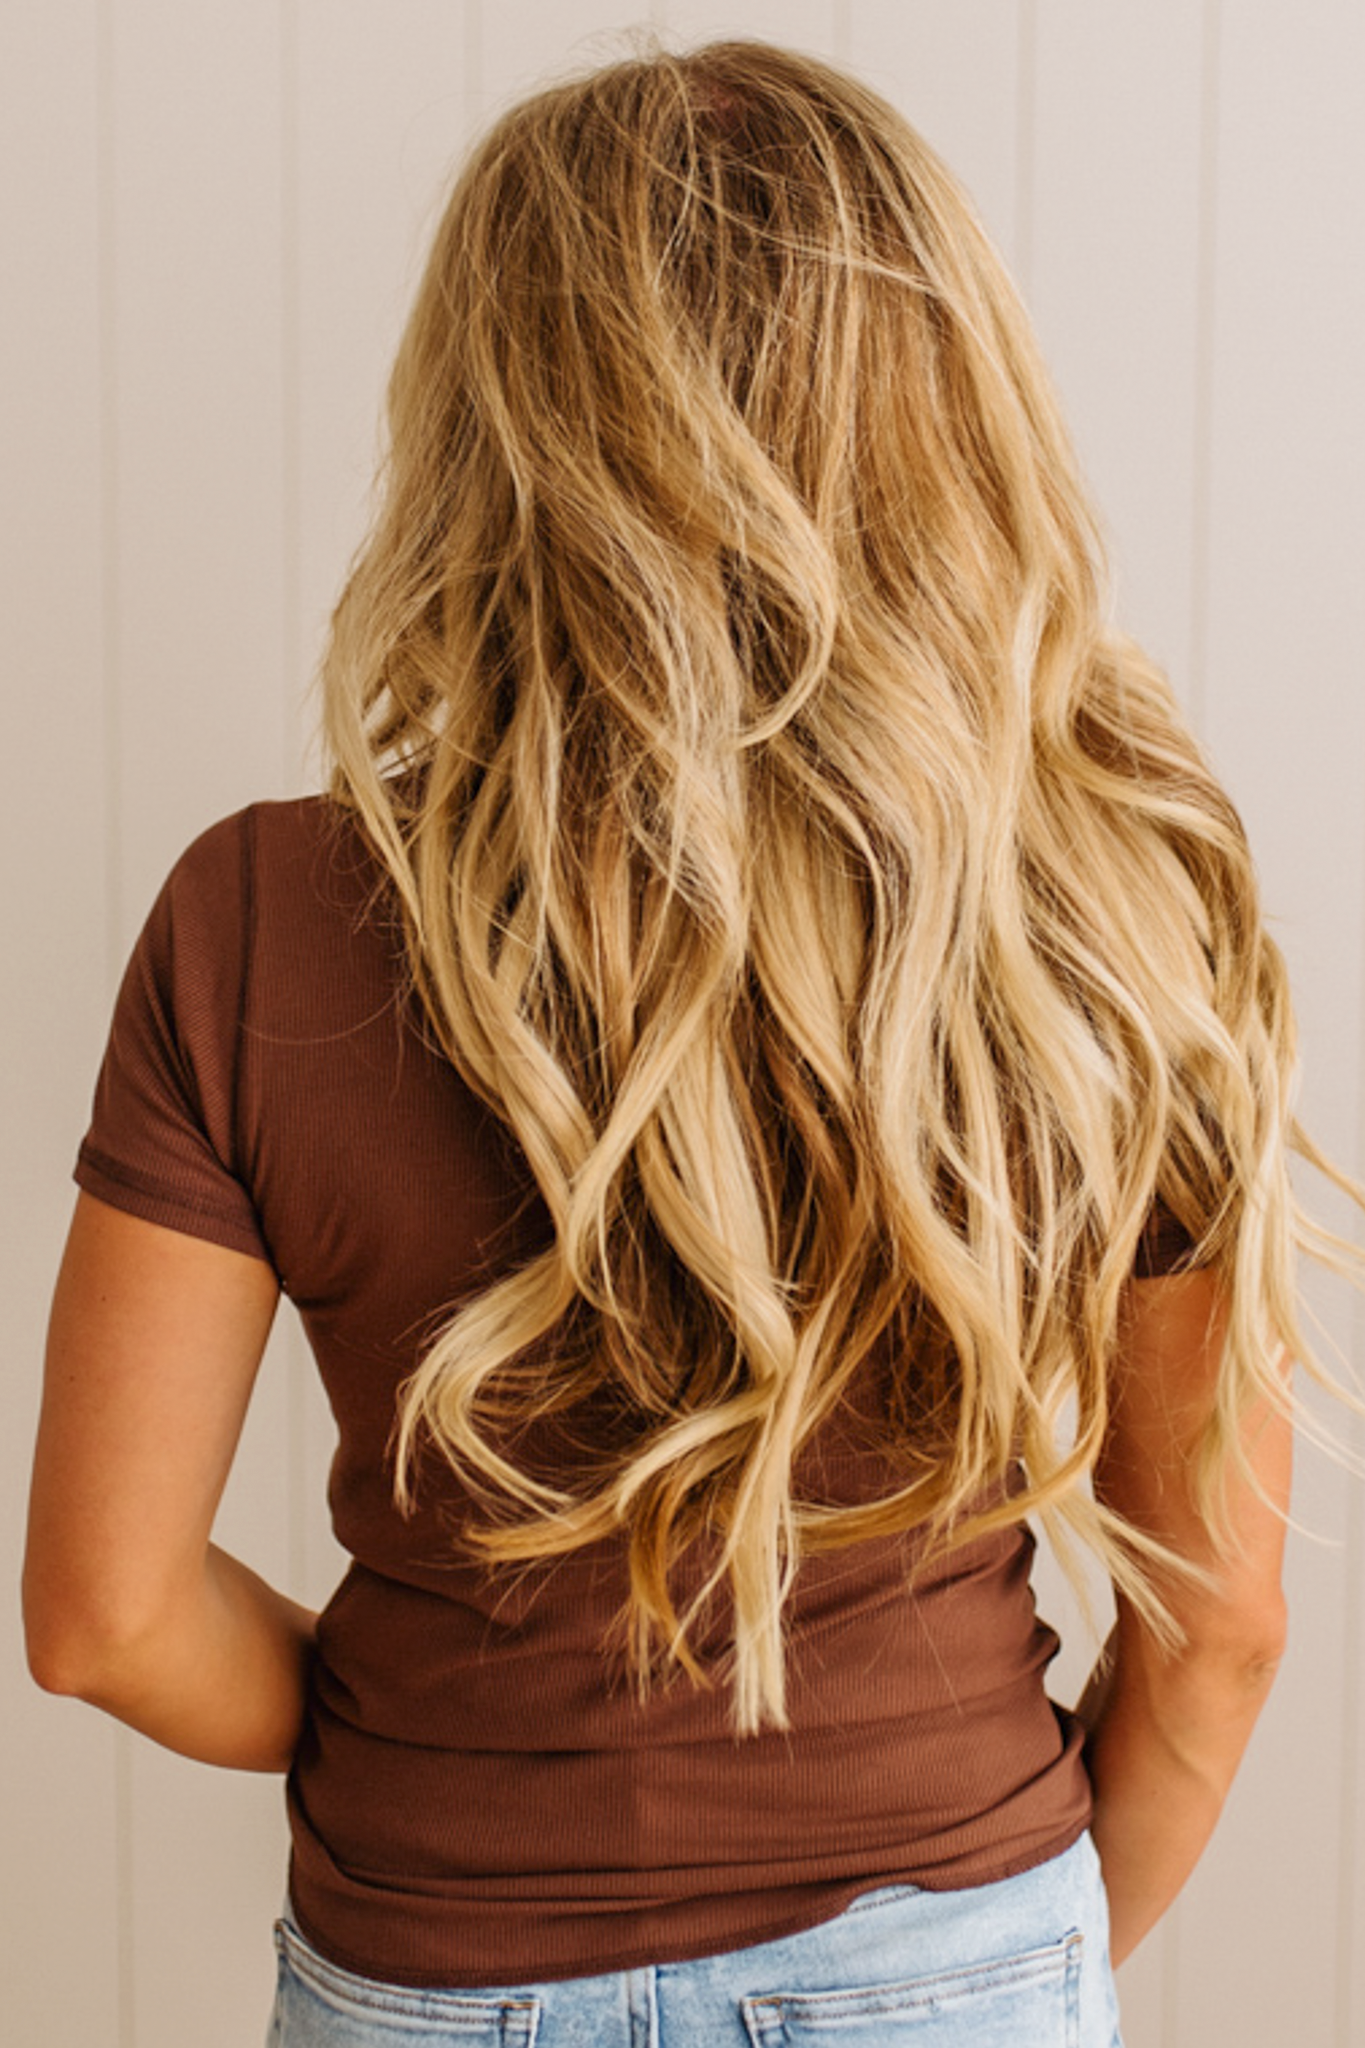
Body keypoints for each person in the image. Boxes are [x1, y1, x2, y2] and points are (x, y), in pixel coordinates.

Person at [21, 37, 1358, 2048]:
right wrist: (1025, 1960)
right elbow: (1222, 1623)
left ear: (486, 426)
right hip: (958, 1950)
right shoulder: (1115, 904)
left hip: (433, 1961)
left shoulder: (264, 913)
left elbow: (106, 1613)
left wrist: (415, 1728)